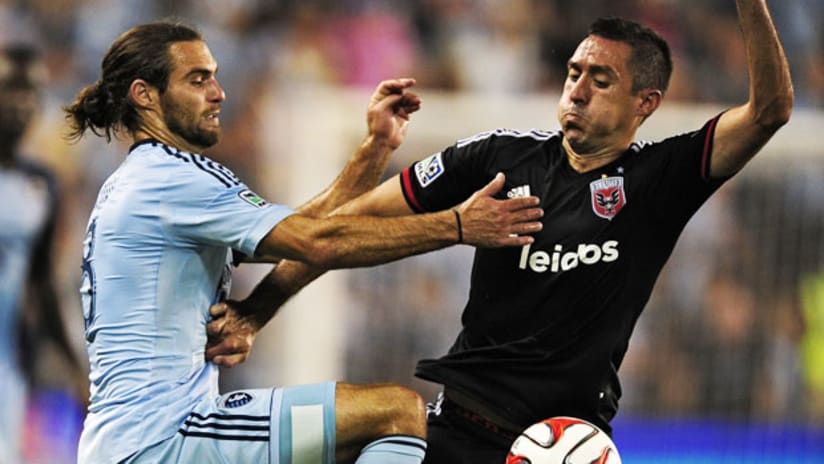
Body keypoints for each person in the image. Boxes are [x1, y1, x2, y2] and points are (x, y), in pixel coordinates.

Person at [206, 1, 794, 462]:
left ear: (647, 102)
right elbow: (348, 225)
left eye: (601, 80)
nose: (578, 90)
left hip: (567, 445)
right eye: (573, 73)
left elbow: (769, 110)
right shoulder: (497, 158)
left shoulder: (660, 178)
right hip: (459, 430)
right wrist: (256, 311)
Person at [64, 21, 543, 464]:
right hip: (165, 438)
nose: (218, 93)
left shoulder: (146, 181)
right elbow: (317, 242)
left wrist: (374, 149)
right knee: (395, 414)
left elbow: (299, 227)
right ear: (144, 95)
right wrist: (456, 225)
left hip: (140, 438)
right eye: (197, 79)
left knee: (360, 434)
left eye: (214, 77)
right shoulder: (170, 180)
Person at [0, 43, 85, 463]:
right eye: (9, 89)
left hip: (8, 370)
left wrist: (76, 369)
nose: (21, 104)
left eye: (31, 92)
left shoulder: (41, 187)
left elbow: (41, 283)